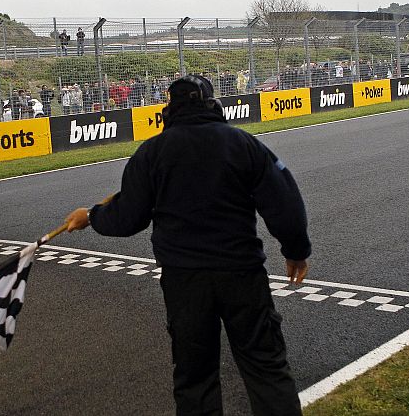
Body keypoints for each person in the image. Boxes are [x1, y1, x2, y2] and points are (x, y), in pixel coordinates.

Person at [64, 75, 311, 416]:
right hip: (241, 273)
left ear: (169, 108)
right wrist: (296, 250)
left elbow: (127, 217)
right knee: (266, 367)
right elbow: (285, 203)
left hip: (184, 280)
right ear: (213, 104)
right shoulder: (243, 144)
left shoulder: (152, 153)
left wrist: (92, 216)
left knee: (195, 378)